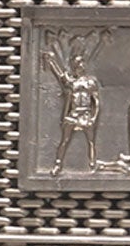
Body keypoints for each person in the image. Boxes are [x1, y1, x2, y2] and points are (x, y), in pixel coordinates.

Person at [43, 36, 102, 174]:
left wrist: (94, 118)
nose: (79, 66)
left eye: (80, 63)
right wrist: (51, 61)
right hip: (73, 115)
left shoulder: (90, 82)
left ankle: (92, 164)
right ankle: (58, 165)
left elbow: (96, 101)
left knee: (91, 141)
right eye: (77, 64)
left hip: (86, 115)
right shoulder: (71, 82)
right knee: (65, 140)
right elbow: (59, 75)